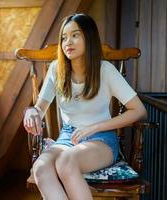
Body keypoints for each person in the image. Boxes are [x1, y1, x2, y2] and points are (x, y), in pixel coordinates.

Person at [23, 13, 147, 200]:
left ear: (89, 38)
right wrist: (32, 111)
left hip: (101, 139)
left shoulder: (105, 70)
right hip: (68, 137)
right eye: (63, 37)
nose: (67, 42)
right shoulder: (57, 70)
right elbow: (40, 107)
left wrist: (95, 127)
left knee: (67, 161)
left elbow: (139, 110)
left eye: (75, 35)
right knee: (40, 168)